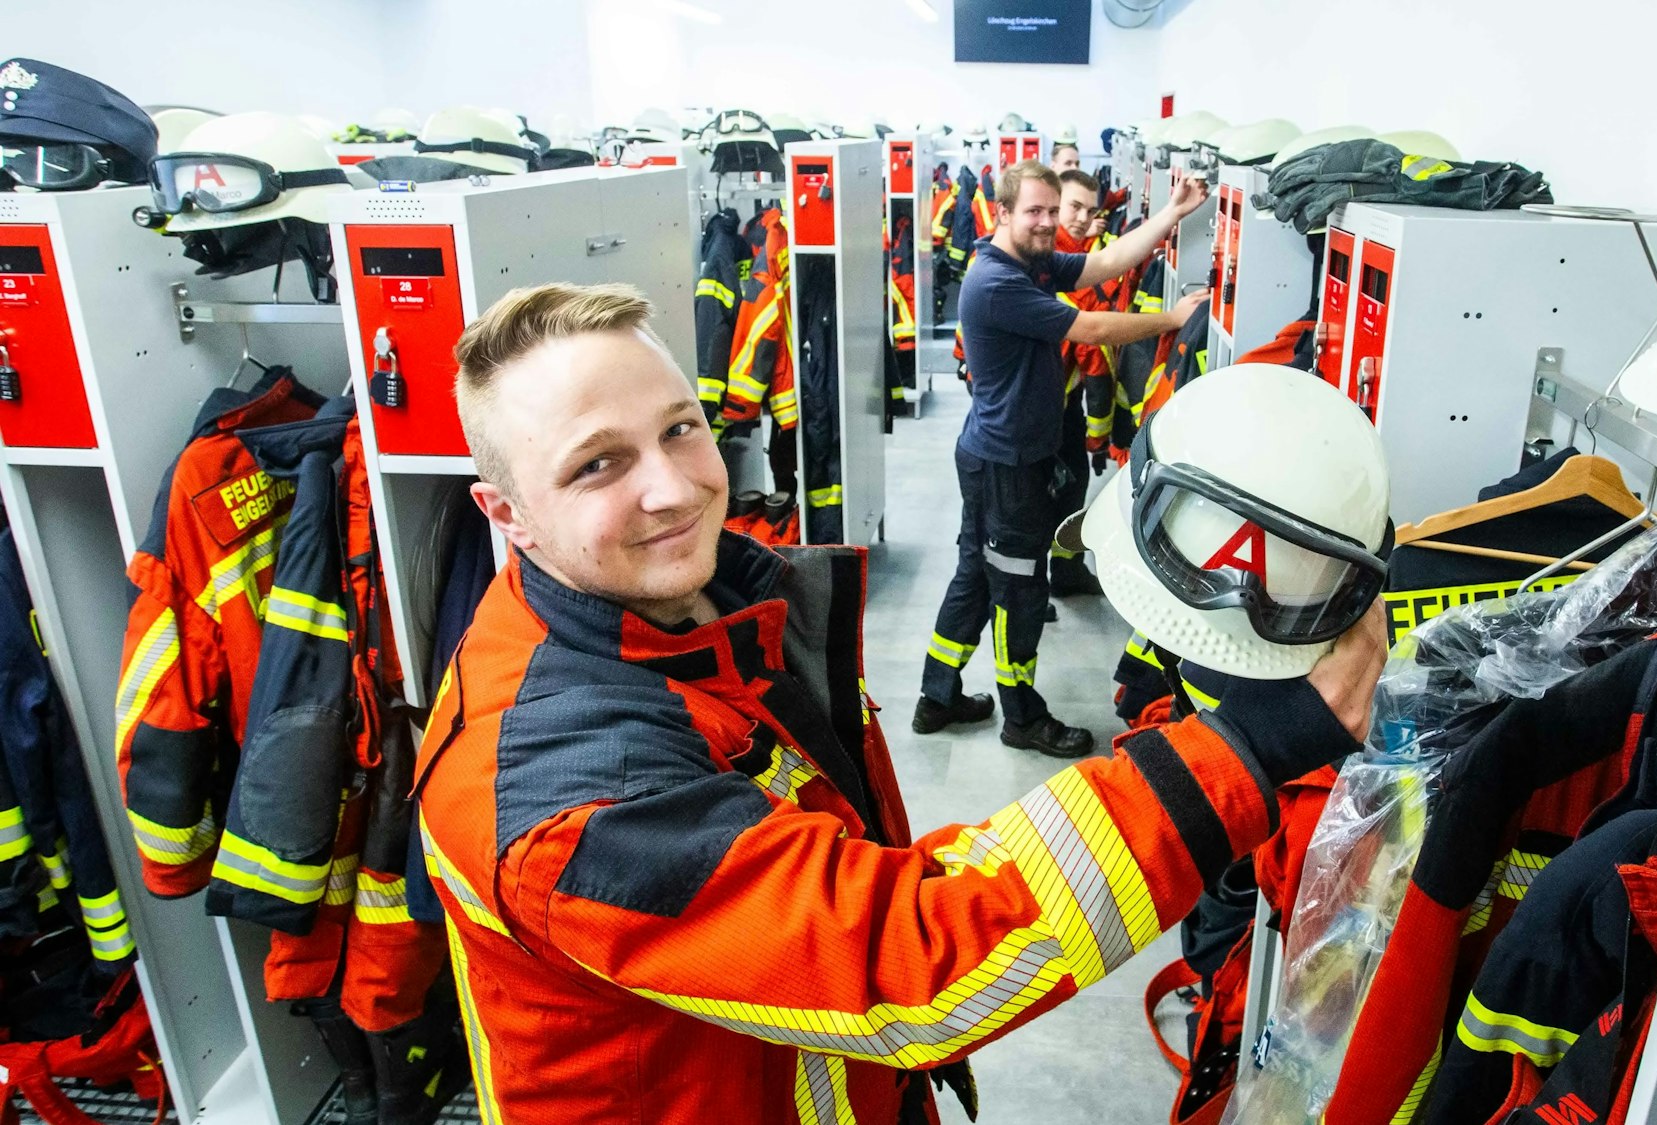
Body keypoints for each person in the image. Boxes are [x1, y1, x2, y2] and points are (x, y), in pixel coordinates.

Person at [412, 280, 1389, 1124]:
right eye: (597, 464)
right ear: (507, 515)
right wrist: (1247, 748)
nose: (672, 487)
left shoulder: (709, 619)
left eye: (679, 428)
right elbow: (897, 954)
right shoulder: (563, 785)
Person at [915, 160, 1209, 757]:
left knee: (976, 573)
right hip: (1006, 465)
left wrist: (1173, 213)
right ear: (1003, 213)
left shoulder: (1032, 262)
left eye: (1053, 210)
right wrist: (1174, 319)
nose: (1048, 222)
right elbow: (1090, 328)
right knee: (1019, 588)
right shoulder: (996, 282)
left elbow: (1105, 263)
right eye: (1035, 211)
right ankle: (1022, 716)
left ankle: (937, 695)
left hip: (997, 456)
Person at [1047, 169, 1120, 597]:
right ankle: (1043, 582)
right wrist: (1100, 437)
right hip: (1042, 409)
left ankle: (1064, 572)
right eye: (1073, 207)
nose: (1081, 218)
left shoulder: (1072, 255)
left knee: (1066, 491)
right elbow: (1096, 357)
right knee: (1051, 496)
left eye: (1090, 211)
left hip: (1060, 402)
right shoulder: (1057, 264)